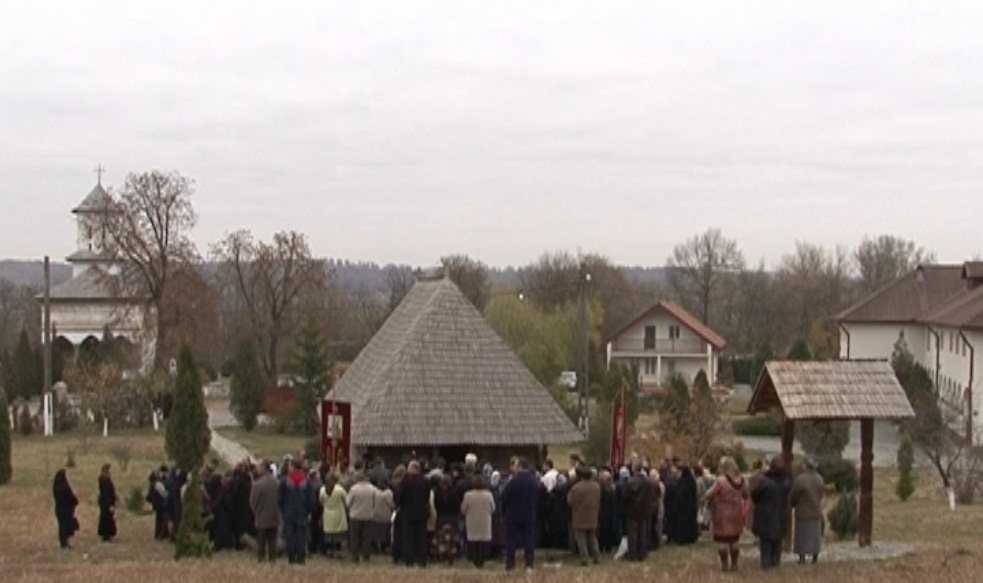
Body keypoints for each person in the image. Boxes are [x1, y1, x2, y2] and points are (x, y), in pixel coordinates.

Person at [705, 457, 749, 572]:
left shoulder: (721, 481)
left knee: (723, 540)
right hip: (736, 512)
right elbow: (746, 494)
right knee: (734, 539)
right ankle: (734, 564)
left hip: (722, 512)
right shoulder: (741, 480)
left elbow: (709, 494)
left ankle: (725, 564)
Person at [751, 456, 791, 570]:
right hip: (780, 515)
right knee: (777, 541)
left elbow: (755, 495)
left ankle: (766, 563)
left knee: (765, 542)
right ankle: (775, 563)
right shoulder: (786, 483)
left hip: (765, 516)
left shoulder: (766, 483)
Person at [500, 457, 539, 574]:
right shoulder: (534, 482)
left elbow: (504, 498)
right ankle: (529, 565)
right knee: (529, 540)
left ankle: (510, 566)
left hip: (513, 515)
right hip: (529, 514)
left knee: (511, 541)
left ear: (520, 467)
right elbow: (538, 497)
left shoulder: (513, 482)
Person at [278, 458, 316, 565]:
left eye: (290, 466)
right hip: (302, 513)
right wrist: (309, 511)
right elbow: (311, 499)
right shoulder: (307, 482)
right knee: (301, 537)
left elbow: (280, 499)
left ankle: (291, 558)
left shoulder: (285, 481)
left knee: (289, 536)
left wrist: (283, 510)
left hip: (288, 513)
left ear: (293, 467)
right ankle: (301, 558)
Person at [395, 460, 431, 567]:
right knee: (421, 538)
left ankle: (409, 561)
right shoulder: (425, 481)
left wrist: (399, 505)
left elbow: (399, 498)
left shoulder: (405, 482)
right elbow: (427, 497)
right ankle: (422, 560)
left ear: (411, 469)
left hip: (408, 514)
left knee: (408, 539)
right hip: (421, 513)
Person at [789, 457, 825, 564]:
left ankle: (802, 557)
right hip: (816, 511)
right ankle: (815, 557)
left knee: (802, 536)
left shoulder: (800, 480)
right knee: (815, 536)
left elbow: (794, 495)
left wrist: (793, 503)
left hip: (803, 512)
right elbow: (821, 494)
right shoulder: (820, 479)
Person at [567, 466, 602, 566]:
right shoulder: (596, 487)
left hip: (579, 515)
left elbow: (570, 501)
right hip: (593, 514)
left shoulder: (577, 487)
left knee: (580, 537)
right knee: (592, 537)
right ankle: (597, 556)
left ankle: (585, 558)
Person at [621, 462, 655, 561]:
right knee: (643, 533)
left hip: (632, 510)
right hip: (644, 510)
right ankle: (642, 553)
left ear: (634, 469)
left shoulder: (630, 482)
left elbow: (624, 496)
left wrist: (625, 508)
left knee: (633, 534)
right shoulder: (648, 482)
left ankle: (633, 554)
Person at [461, 474, 496, 568]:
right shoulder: (488, 495)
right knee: (483, 541)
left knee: (474, 541)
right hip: (485, 521)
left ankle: (475, 560)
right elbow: (493, 508)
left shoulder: (468, 495)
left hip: (472, 521)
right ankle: (482, 560)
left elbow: (463, 509)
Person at [250, 460, 281, 563]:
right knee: (272, 542)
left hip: (261, 517)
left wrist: (256, 511)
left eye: (258, 467)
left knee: (261, 543)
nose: (257, 469)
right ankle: (272, 560)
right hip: (274, 516)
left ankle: (261, 560)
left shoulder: (257, 485)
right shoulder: (277, 483)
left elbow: (252, 502)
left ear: (263, 468)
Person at [347, 471, 378, 563]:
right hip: (367, 515)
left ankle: (355, 557)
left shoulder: (354, 489)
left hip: (355, 516)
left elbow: (348, 503)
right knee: (366, 538)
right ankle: (366, 556)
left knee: (355, 538)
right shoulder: (371, 488)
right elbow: (376, 499)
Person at [669, 460, 700, 545]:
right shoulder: (691, 481)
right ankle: (690, 536)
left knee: (683, 523)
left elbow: (680, 495)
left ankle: (683, 538)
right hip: (690, 507)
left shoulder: (684, 482)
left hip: (683, 508)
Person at [320, 473, 349, 558]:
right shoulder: (339, 490)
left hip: (327, 514)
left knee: (329, 533)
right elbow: (346, 501)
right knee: (338, 533)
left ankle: (330, 550)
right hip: (338, 513)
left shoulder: (322, 490)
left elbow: (321, 501)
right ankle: (338, 551)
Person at [53, 469, 79, 549]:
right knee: (66, 526)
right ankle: (66, 542)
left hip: (59, 509)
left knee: (61, 526)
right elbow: (71, 497)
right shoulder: (65, 487)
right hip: (66, 509)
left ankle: (63, 543)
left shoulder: (56, 487)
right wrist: (75, 502)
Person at [97, 463, 118, 543]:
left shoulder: (104, 479)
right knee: (107, 518)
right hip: (106, 503)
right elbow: (106, 493)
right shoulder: (105, 480)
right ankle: (106, 536)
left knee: (106, 518)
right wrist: (110, 504)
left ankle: (106, 534)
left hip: (104, 502)